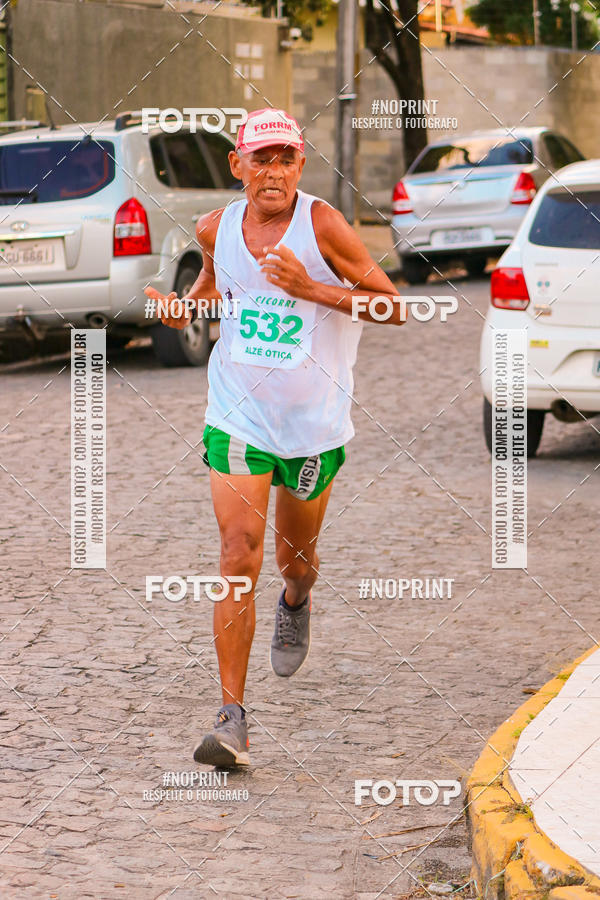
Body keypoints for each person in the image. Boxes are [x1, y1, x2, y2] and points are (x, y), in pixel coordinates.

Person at [145, 108, 404, 768]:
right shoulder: (215, 227)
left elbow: (393, 305)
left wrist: (311, 287)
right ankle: (232, 719)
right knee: (238, 552)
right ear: (239, 166)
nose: (273, 171)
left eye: (285, 157)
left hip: (314, 426)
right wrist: (184, 308)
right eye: (261, 159)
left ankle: (297, 598)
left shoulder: (323, 225)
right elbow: (214, 290)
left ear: (300, 163)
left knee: (295, 560)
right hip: (239, 416)